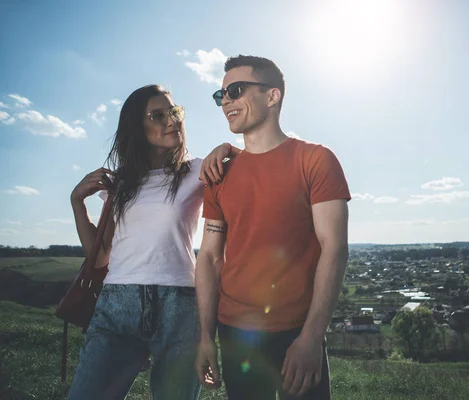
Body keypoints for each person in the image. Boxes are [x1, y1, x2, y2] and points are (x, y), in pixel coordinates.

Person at [194, 55, 351, 400]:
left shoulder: (315, 160)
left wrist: (311, 337)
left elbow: (334, 249)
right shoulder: (219, 171)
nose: (227, 102)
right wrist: (206, 337)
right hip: (235, 333)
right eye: (221, 96)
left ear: (272, 96)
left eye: (236, 90)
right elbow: (209, 257)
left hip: (297, 333)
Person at [67, 84, 238, 400]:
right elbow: (100, 254)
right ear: (137, 126)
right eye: (158, 115)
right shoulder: (119, 183)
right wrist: (77, 202)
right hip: (117, 307)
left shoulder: (197, 171)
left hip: (181, 307)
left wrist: (229, 149)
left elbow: (251, 168)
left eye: (174, 111)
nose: (171, 121)